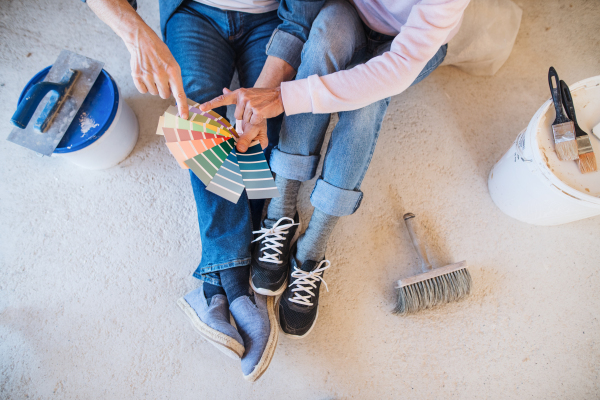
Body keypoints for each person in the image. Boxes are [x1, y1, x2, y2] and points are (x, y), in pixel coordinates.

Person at [201, 0, 470, 338]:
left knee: (366, 107)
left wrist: (285, 98)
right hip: (350, 10)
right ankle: (280, 209)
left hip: (409, 44)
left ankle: (313, 247)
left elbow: (398, 67)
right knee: (322, 46)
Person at [85, 0, 323, 381]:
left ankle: (216, 288)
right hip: (193, 9)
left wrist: (261, 97)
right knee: (199, 117)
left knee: (268, 129)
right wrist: (135, 33)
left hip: (275, 15)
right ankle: (237, 282)